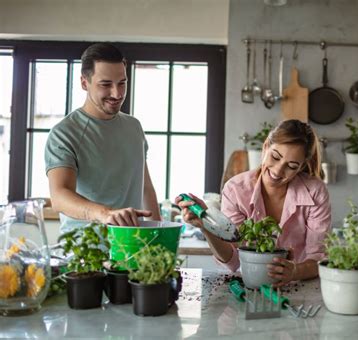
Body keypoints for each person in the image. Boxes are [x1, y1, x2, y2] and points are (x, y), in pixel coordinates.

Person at [177, 119, 331, 287]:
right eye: (275, 157)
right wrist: (205, 226)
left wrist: (294, 271)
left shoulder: (315, 191)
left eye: (292, 166)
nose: (278, 171)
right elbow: (233, 261)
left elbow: (318, 259)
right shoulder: (236, 189)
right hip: (251, 285)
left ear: (301, 167)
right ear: (265, 147)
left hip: (299, 287)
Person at [45, 43, 160, 234]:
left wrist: (159, 235)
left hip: (132, 248)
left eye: (122, 83)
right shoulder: (64, 133)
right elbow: (59, 196)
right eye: (106, 84)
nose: (117, 94)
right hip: (84, 251)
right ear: (84, 83)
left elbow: (145, 188)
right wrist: (107, 214)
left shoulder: (134, 127)